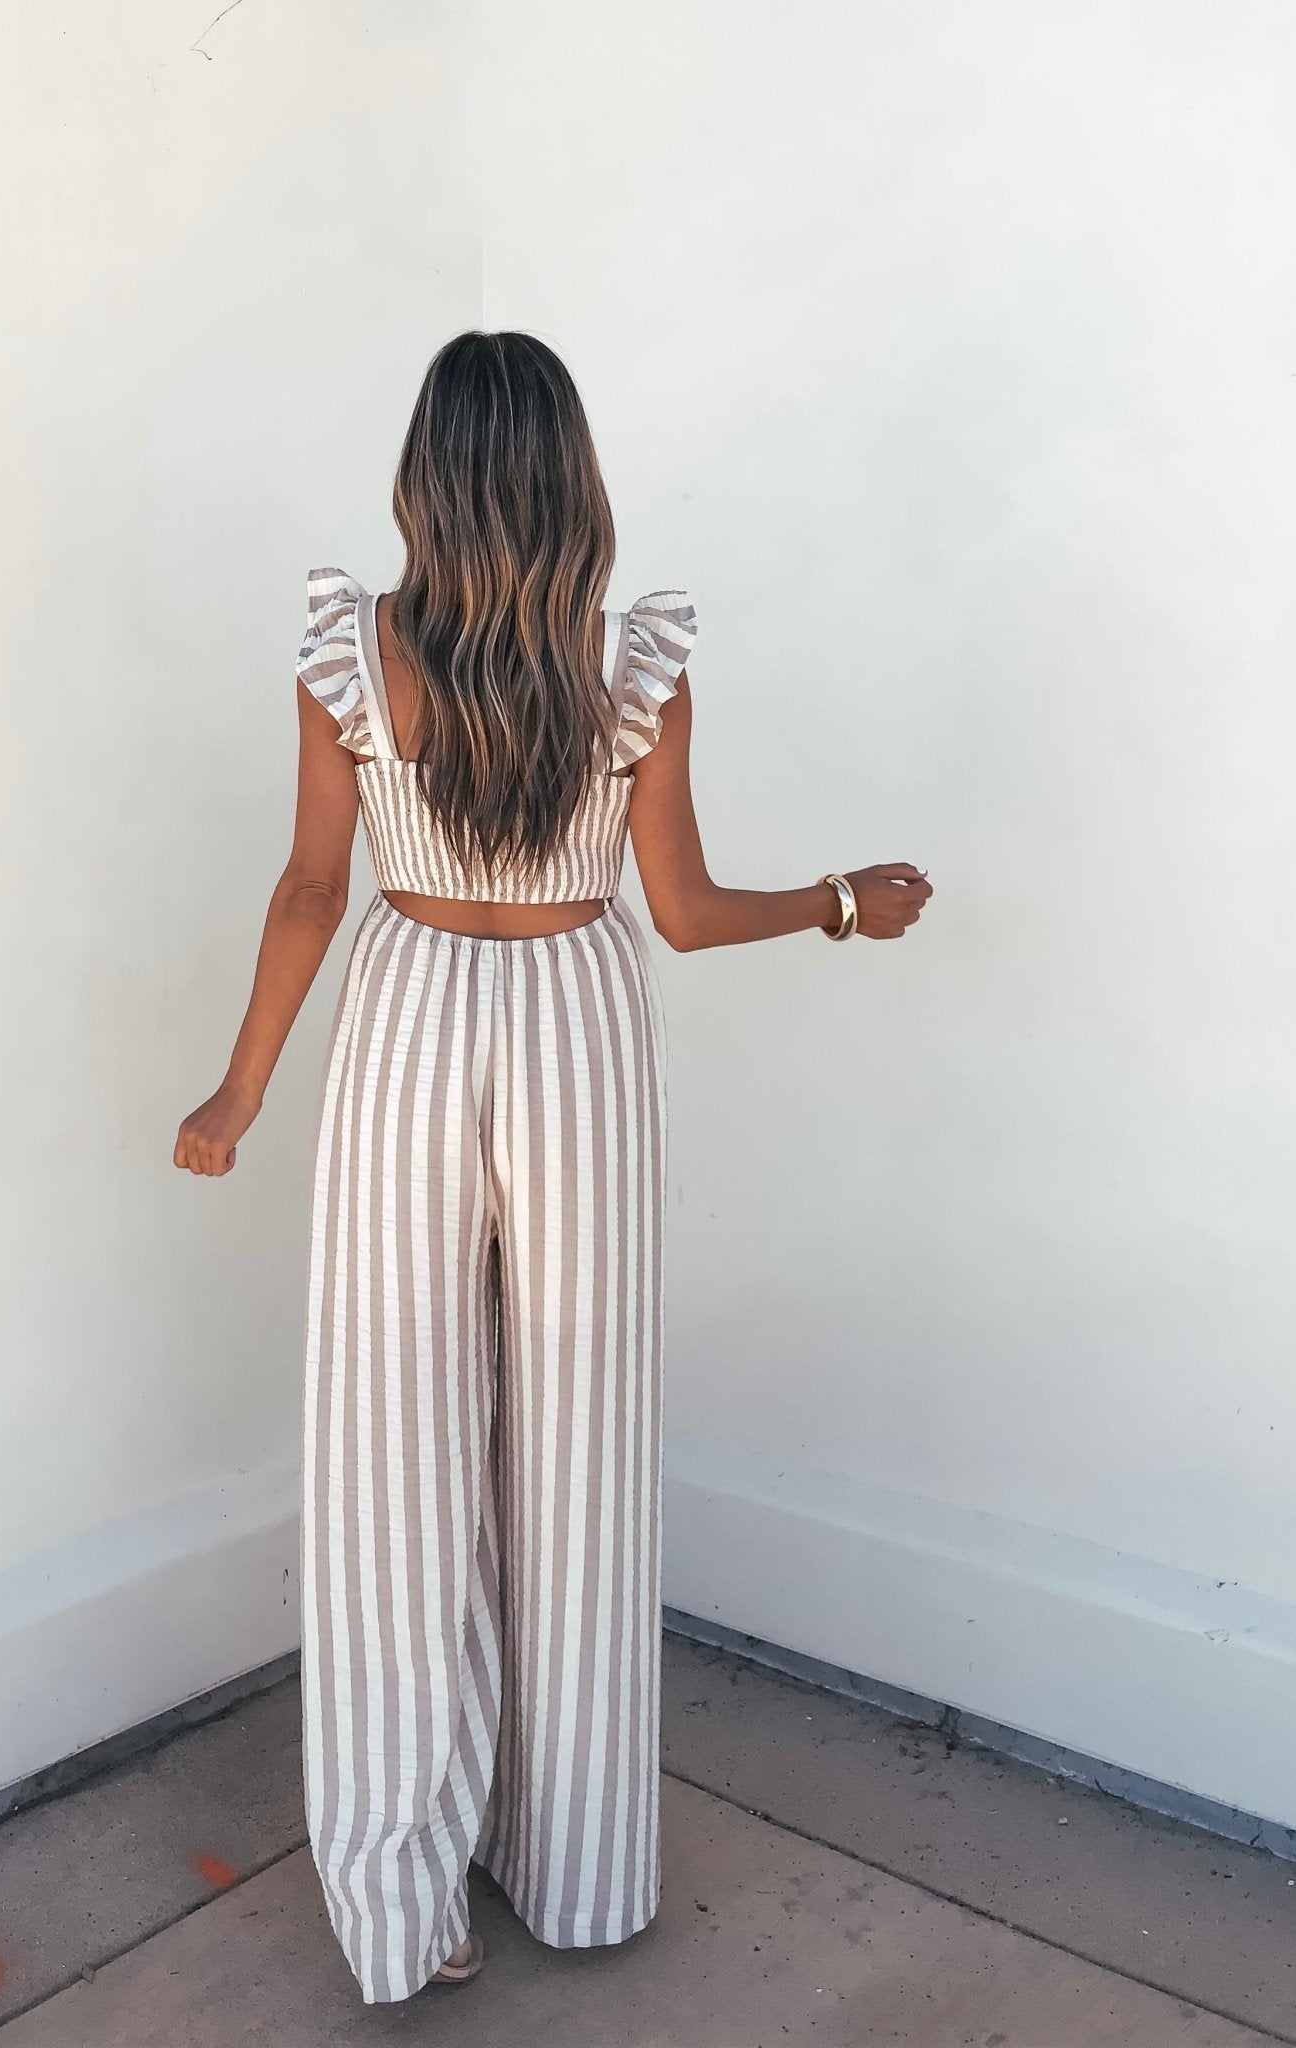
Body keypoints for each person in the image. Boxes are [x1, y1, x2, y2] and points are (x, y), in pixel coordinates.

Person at [173, 330, 932, 2003]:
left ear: (423, 472)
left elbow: (310, 890)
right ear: (570, 474)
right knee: (576, 1442)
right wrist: (833, 902)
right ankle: (572, 1866)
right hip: (581, 1023)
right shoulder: (626, 667)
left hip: (405, 1015)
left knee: (395, 1452)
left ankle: (405, 1900)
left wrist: (235, 1095)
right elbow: (680, 910)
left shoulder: (352, 660)